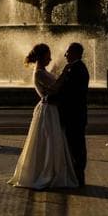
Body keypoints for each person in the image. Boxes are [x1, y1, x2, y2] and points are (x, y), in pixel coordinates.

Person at [8, 43, 78, 189]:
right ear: (41, 56)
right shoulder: (39, 72)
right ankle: (47, 174)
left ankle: (50, 171)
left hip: (50, 109)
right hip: (48, 110)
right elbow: (55, 88)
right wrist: (65, 71)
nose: (50, 58)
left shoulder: (42, 71)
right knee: (48, 141)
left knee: (50, 142)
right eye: (48, 55)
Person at [57, 42, 89, 185]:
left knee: (76, 147)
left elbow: (68, 93)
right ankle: (77, 176)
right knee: (76, 146)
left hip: (74, 116)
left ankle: (78, 178)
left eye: (67, 52)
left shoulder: (76, 69)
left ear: (75, 53)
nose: (65, 55)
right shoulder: (77, 68)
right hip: (76, 115)